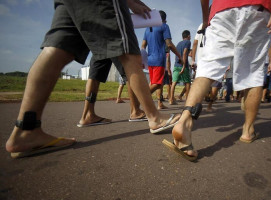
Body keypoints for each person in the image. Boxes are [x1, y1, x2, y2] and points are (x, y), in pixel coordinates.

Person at [6, 0, 180, 158]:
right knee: (128, 53)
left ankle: (26, 128)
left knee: (59, 48)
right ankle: (153, 117)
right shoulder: (163, 27)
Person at [163, 0, 271, 161]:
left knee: (208, 68)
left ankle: (184, 121)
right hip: (258, 9)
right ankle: (248, 130)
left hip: (221, 10)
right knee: (253, 73)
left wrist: (206, 18)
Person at [77, 57, 147, 128]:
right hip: (115, 46)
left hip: (98, 46)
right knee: (129, 70)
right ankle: (135, 111)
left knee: (94, 75)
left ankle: (88, 115)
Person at [141, 10, 182, 109]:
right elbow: (169, 44)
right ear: (164, 19)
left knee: (156, 82)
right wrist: (179, 55)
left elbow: (143, 46)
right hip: (159, 59)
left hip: (150, 60)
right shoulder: (164, 26)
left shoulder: (148, 29)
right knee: (158, 83)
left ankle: (159, 103)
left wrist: (143, 59)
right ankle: (140, 99)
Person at [169, 30, 192, 105]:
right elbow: (185, 53)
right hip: (183, 66)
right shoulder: (188, 42)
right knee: (187, 83)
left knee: (174, 82)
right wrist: (184, 65)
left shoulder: (178, 44)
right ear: (188, 36)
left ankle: (171, 99)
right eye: (190, 35)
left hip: (176, 65)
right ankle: (188, 100)